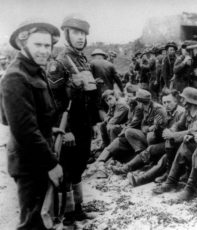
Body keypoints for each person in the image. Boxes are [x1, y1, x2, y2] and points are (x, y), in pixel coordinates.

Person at [0, 19, 62, 230]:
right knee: (33, 224)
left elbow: (28, 115)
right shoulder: (16, 76)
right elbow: (23, 130)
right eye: (38, 45)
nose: (45, 50)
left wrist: (48, 128)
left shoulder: (34, 69)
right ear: (22, 42)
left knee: (43, 219)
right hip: (30, 163)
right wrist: (51, 164)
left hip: (36, 156)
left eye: (48, 45)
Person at [47, 14, 99, 223]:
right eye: (76, 33)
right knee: (68, 169)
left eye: (83, 34)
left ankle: (78, 209)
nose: (80, 38)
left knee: (79, 167)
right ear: (67, 35)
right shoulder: (59, 62)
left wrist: (93, 122)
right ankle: (67, 216)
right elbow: (55, 100)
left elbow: (89, 94)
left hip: (84, 123)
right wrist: (64, 129)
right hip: (69, 126)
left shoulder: (82, 59)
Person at [128, 87, 197, 186]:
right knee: (160, 152)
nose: (181, 100)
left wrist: (172, 135)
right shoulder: (188, 110)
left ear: (190, 100)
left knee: (165, 158)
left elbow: (192, 131)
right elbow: (179, 125)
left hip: (196, 146)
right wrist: (170, 131)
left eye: (184, 98)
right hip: (184, 142)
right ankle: (138, 176)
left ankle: (142, 180)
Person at [111, 89, 184, 175]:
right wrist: (153, 128)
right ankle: (127, 168)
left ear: (175, 101)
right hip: (165, 141)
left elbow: (178, 131)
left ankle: (128, 168)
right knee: (148, 144)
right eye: (164, 102)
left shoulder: (180, 112)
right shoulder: (167, 111)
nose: (166, 105)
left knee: (150, 145)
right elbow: (144, 126)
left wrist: (161, 129)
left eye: (169, 102)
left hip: (175, 143)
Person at [90, 48, 123, 120]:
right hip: (109, 91)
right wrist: (122, 90)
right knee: (110, 107)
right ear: (103, 56)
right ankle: (110, 123)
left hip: (97, 91)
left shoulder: (91, 63)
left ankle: (105, 123)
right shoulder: (110, 64)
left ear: (94, 56)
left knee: (99, 108)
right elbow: (117, 79)